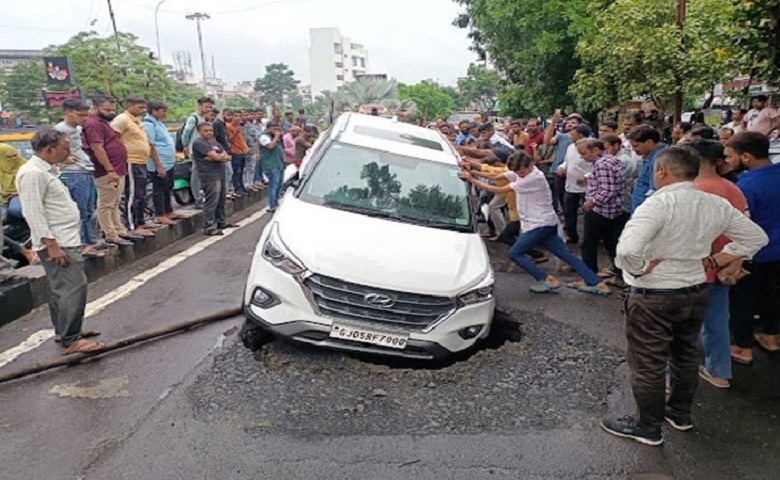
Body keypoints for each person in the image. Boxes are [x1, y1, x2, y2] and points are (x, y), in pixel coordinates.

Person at [601, 147, 767, 447]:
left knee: (648, 363)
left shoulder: (658, 204)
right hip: (694, 291)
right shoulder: (714, 204)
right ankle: (680, 415)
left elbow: (626, 250)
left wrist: (637, 269)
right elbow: (756, 237)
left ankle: (648, 427)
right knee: (686, 355)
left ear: (662, 171)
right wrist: (718, 259)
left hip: (654, 295)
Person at [459, 151, 612, 296]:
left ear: (530, 165)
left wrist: (472, 180)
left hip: (538, 224)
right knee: (566, 255)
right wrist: (474, 173)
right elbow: (499, 176)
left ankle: (546, 279)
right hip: (545, 222)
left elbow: (499, 189)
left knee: (515, 253)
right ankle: (596, 282)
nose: (519, 175)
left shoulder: (533, 178)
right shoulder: (524, 172)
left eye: (522, 172)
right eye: (517, 173)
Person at [15, 128, 107, 354]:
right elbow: (33, 212)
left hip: (64, 238)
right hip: (58, 242)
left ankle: (63, 330)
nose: (68, 152)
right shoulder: (33, 173)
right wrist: (51, 245)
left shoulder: (46, 170)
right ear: (49, 149)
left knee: (60, 289)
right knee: (72, 289)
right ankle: (71, 340)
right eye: (64, 148)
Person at [686, 139, 748, 389]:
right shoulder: (733, 188)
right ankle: (720, 373)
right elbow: (746, 230)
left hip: (691, 270)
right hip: (724, 269)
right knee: (718, 323)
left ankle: (670, 379)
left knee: (677, 328)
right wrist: (736, 261)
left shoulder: (690, 191)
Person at [724, 131, 780, 364]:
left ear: (746, 156)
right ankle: (771, 337)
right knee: (772, 296)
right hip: (777, 252)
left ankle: (741, 347)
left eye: (730, 156)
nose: (727, 161)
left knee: (742, 301)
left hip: (755, 253)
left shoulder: (745, 185)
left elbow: (741, 225)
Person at [54, 99, 105, 258]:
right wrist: (65, 159)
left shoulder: (77, 128)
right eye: (80, 115)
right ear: (68, 112)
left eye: (86, 115)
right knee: (80, 211)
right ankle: (83, 245)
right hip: (73, 173)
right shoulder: (59, 130)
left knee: (89, 210)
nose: (84, 119)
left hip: (84, 170)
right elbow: (50, 150)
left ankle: (90, 240)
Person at [82, 95, 133, 247]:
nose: (111, 113)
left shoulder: (104, 123)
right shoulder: (92, 124)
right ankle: (110, 234)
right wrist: (109, 169)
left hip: (118, 168)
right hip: (107, 171)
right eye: (107, 109)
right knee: (106, 204)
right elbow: (97, 147)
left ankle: (119, 230)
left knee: (115, 201)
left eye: (113, 110)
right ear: (95, 107)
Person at [576, 139, 625, 275]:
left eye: (584, 153)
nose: (582, 157)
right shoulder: (612, 160)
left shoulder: (602, 164)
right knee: (611, 243)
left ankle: (589, 276)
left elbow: (608, 190)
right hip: (613, 210)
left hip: (601, 210)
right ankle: (620, 273)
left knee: (589, 244)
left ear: (596, 150)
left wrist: (591, 202)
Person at [112, 96, 154, 237]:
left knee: (141, 194)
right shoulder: (122, 119)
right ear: (129, 106)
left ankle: (140, 221)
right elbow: (114, 137)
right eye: (139, 107)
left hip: (141, 161)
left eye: (144, 108)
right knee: (133, 195)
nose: (143, 111)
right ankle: (132, 225)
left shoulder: (136, 121)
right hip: (131, 161)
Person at [191, 123, 234, 235]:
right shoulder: (199, 143)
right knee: (212, 201)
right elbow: (218, 156)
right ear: (199, 131)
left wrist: (217, 157)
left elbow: (226, 156)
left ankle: (221, 222)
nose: (209, 132)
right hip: (209, 175)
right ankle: (208, 226)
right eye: (206, 131)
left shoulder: (214, 142)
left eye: (210, 130)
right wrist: (218, 157)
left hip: (220, 173)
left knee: (221, 199)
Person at [142, 100, 178, 227]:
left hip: (168, 162)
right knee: (159, 189)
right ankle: (160, 215)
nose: (165, 113)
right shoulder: (148, 125)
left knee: (168, 187)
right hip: (159, 163)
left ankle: (169, 211)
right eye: (163, 111)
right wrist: (158, 165)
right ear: (154, 111)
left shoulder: (159, 123)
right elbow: (151, 146)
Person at [556, 124, 593, 244]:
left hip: (587, 188)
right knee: (569, 212)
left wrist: (586, 176)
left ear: (581, 136)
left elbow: (597, 166)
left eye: (573, 135)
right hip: (570, 186)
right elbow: (566, 161)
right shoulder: (571, 147)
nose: (570, 137)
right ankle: (572, 236)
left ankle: (590, 238)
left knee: (589, 214)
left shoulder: (593, 147)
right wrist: (561, 167)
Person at [545, 111, 584, 213]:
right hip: (559, 171)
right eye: (568, 122)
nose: (570, 124)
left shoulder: (587, 138)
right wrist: (553, 123)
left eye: (573, 122)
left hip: (577, 172)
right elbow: (547, 141)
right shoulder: (561, 136)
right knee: (562, 197)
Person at [181, 96, 214, 205]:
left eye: (210, 107)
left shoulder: (203, 119)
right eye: (206, 107)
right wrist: (185, 145)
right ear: (200, 105)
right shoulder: (193, 118)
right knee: (196, 175)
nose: (209, 109)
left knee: (202, 174)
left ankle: (201, 196)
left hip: (204, 149)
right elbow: (186, 134)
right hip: (195, 150)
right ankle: (197, 198)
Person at [627, 125, 666, 212]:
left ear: (649, 142)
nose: (634, 150)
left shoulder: (660, 159)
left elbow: (654, 190)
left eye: (636, 146)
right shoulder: (650, 157)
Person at [259, 122, 285, 213]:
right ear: (269, 128)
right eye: (274, 129)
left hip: (279, 164)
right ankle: (272, 205)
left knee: (279, 185)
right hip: (270, 165)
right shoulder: (264, 137)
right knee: (273, 185)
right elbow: (270, 146)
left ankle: (276, 203)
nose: (277, 131)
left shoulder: (275, 137)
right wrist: (276, 137)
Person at [226, 110, 250, 195]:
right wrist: (236, 131)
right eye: (235, 116)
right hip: (234, 151)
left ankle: (242, 187)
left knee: (242, 171)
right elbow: (230, 140)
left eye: (239, 116)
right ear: (232, 116)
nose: (237, 118)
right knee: (236, 171)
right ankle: (237, 188)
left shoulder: (240, 127)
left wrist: (246, 147)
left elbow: (242, 139)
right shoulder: (229, 126)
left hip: (241, 151)